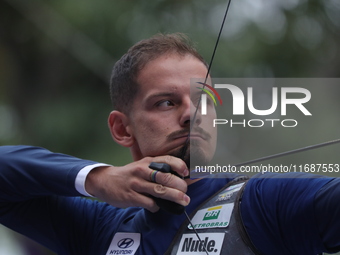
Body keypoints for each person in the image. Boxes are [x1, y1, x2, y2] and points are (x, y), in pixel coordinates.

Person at [0, 33, 339, 255]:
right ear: (122, 128)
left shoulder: (266, 199)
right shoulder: (100, 225)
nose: (192, 115)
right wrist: (98, 178)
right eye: (166, 102)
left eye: (204, 100)